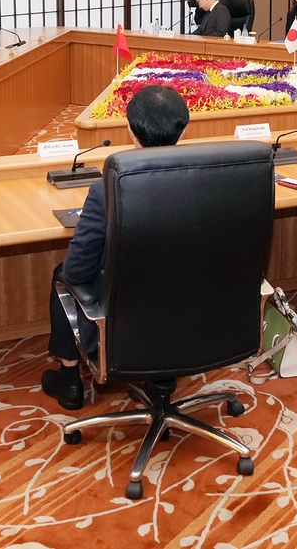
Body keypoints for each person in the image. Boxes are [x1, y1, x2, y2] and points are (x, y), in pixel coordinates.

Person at [40, 85, 191, 410]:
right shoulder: (212, 180)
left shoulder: (107, 189)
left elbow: (77, 270)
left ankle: (68, 379)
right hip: (193, 315)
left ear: (131, 130)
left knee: (62, 275)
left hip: (126, 321)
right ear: (185, 130)